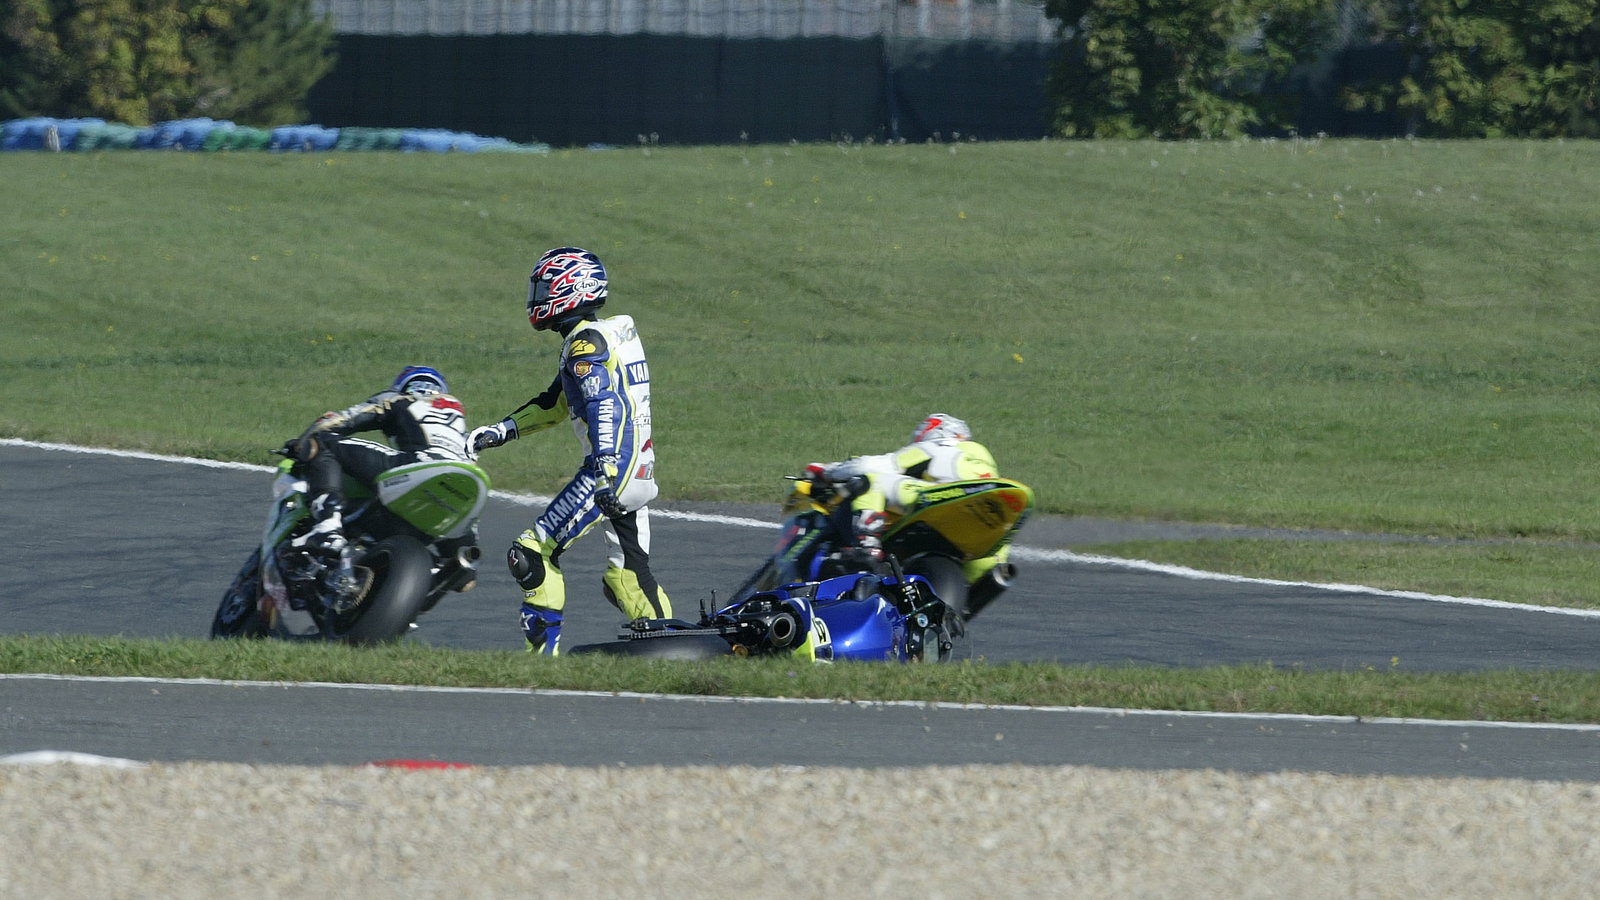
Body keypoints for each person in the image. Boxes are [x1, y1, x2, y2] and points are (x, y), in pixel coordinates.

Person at [469, 247, 671, 655]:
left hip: (611, 470)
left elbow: (604, 404)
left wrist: (604, 470)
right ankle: (671, 650)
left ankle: (541, 661)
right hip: (638, 467)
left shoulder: (585, 346)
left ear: (571, 290)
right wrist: (503, 431)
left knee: (530, 553)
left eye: (545, 289)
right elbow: (558, 402)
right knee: (628, 576)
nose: (537, 298)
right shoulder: (607, 335)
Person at [283, 366, 475, 593]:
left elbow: (342, 420)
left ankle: (327, 527)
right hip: (464, 491)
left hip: (419, 465)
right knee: (464, 576)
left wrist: (302, 443)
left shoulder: (400, 398)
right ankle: (449, 573)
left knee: (322, 441)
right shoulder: (461, 424)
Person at [809, 413, 1015, 617]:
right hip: (983, 527)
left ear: (934, 431)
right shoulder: (982, 460)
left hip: (942, 496)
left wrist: (827, 472)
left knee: (872, 480)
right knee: (993, 568)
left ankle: (866, 547)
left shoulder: (940, 444)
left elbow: (872, 465)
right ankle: (963, 612)